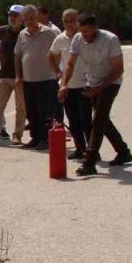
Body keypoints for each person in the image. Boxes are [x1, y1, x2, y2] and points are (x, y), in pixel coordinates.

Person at [62, 15, 132, 176]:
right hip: (91, 81)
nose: (84, 34)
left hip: (110, 82)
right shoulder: (78, 39)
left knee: (98, 120)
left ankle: (89, 161)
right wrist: (64, 85)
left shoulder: (110, 39)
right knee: (103, 119)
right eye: (82, 31)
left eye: (87, 31)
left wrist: (99, 88)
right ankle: (123, 151)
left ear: (95, 28)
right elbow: (70, 64)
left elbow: (118, 69)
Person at [15, 5, 59, 150]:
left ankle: (44, 139)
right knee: (31, 111)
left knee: (45, 111)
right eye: (26, 19)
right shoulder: (22, 34)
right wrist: (18, 76)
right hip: (28, 80)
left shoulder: (49, 33)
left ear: (37, 17)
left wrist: (58, 71)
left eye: (31, 18)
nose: (29, 21)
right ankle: (35, 137)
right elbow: (18, 56)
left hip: (46, 79)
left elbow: (57, 53)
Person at [0, 5, 27, 146]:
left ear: (22, 17)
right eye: (10, 15)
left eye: (15, 15)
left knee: (20, 108)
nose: (12, 18)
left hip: (21, 77)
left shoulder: (25, 33)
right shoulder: (2, 31)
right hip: (4, 76)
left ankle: (17, 136)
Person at [52, 9, 90, 160]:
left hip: (85, 84)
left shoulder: (84, 38)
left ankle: (93, 150)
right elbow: (51, 55)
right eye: (66, 21)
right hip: (68, 85)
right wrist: (57, 72)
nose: (69, 24)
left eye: (72, 21)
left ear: (78, 21)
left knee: (87, 121)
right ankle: (80, 148)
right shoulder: (60, 38)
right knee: (73, 121)